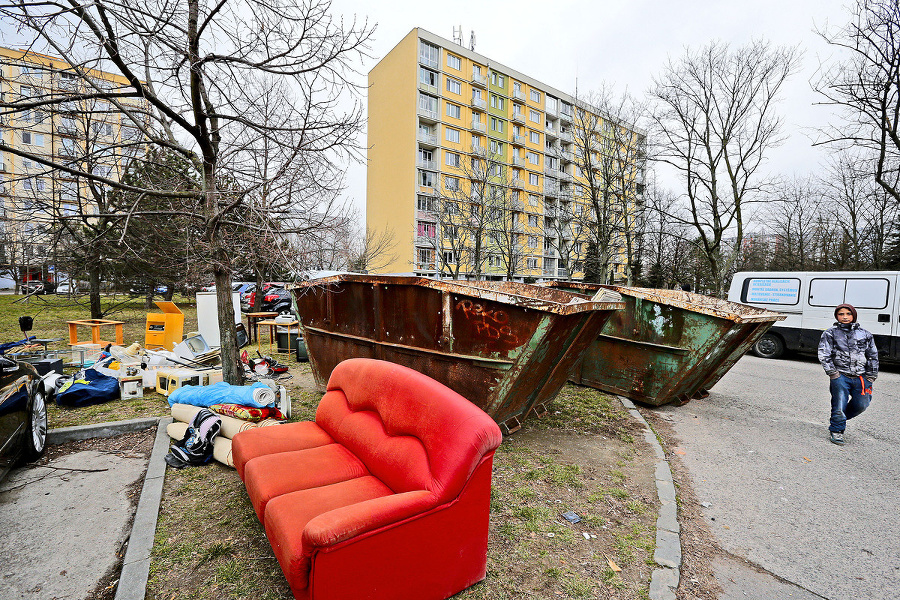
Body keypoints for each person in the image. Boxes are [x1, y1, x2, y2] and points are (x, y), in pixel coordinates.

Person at [817, 303, 878, 445]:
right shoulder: (830, 333)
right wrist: (833, 373)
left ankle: (839, 419)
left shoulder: (865, 334)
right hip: (840, 376)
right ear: (837, 316)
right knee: (839, 404)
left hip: (862, 377)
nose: (845, 317)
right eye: (841, 314)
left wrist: (871, 375)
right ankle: (837, 430)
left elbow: (873, 355)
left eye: (848, 314)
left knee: (861, 405)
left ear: (854, 315)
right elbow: (824, 354)